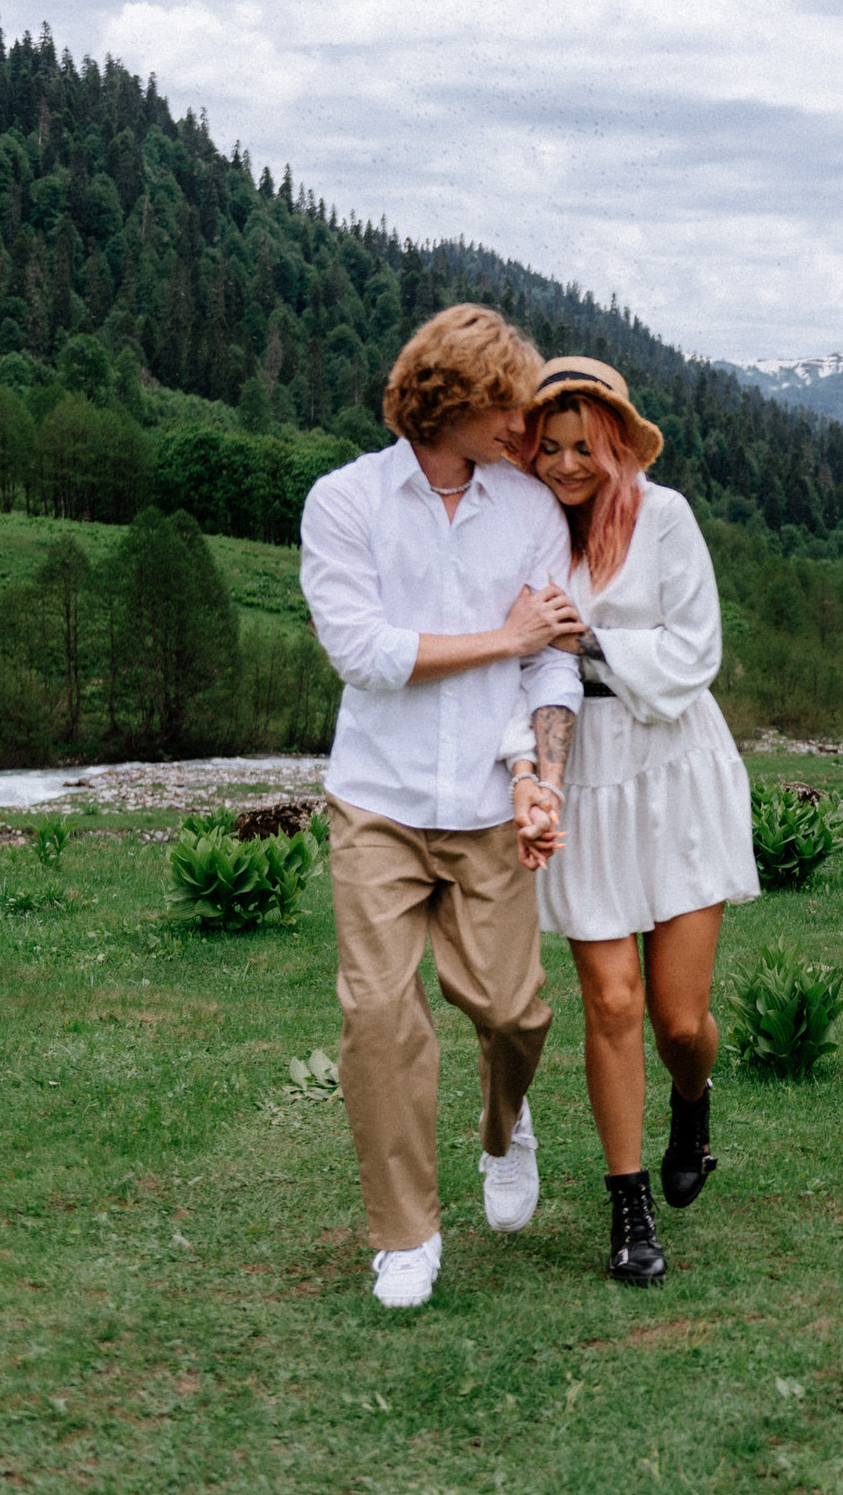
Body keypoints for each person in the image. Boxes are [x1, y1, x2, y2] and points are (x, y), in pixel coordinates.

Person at [299, 304, 584, 1310]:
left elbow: (552, 654)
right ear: (449, 400)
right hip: (375, 799)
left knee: (512, 1011)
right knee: (379, 1013)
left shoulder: (529, 510)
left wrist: (542, 772)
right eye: (505, 405)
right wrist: (501, 639)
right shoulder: (344, 502)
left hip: (488, 801)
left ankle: (506, 1127)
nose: (523, 427)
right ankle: (405, 1235)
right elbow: (365, 656)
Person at [500, 355, 759, 1285]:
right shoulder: (524, 534)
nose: (568, 464)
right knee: (609, 1001)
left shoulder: (667, 517)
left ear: (616, 442)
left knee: (676, 1016)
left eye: (585, 446)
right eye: (550, 446)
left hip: (677, 763)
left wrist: (591, 638)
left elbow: (697, 650)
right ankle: (629, 1207)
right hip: (588, 769)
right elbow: (511, 659)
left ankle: (693, 1095)